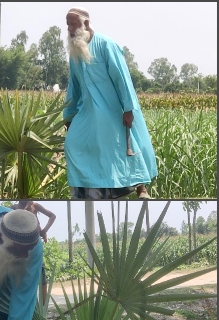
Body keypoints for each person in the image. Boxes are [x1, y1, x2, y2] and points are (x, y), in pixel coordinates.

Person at [63, 7, 157, 200]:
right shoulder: (75, 51)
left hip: (113, 109)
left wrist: (128, 108)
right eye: (68, 25)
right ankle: (87, 191)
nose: (70, 29)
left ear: (86, 24)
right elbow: (74, 85)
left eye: (74, 24)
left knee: (121, 144)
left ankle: (142, 189)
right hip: (87, 111)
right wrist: (69, 114)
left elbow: (122, 78)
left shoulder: (106, 44)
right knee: (72, 143)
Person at [10, 201, 56, 309]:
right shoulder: (13, 208)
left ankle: (43, 308)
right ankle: (24, 306)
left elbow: (52, 216)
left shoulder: (35, 206)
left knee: (41, 274)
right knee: (22, 277)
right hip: (20, 246)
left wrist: (44, 231)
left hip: (35, 246)